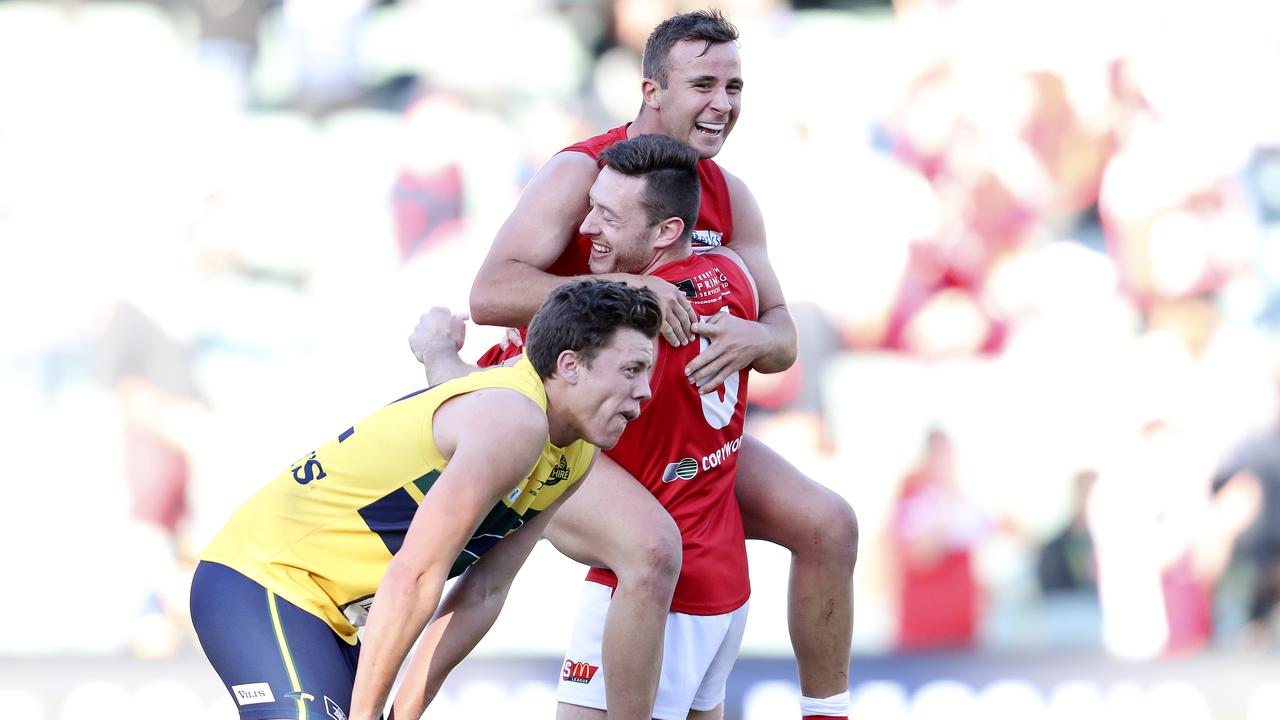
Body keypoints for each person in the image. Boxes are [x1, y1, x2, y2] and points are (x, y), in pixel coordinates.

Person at [466, 10, 857, 720]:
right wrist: (623, 290)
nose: (723, 103)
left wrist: (753, 340)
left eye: (735, 85)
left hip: (662, 431)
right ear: (651, 90)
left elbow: (783, 339)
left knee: (827, 523)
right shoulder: (582, 170)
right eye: (703, 83)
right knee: (648, 550)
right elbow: (490, 294)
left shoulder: (730, 194)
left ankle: (829, 713)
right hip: (557, 426)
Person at [399, 134, 758, 720]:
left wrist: (438, 354)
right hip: (721, 581)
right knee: (493, 567)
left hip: (646, 594)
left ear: (666, 231)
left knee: (492, 561)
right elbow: (776, 337)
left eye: (608, 217)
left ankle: (393, 708)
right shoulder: (733, 275)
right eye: (591, 206)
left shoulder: (625, 327)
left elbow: (491, 412)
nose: (585, 228)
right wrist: (769, 338)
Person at [188, 280, 663, 720]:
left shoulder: (575, 453)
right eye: (631, 369)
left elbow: (483, 593)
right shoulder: (513, 419)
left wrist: (402, 714)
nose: (644, 393)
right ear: (570, 365)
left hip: (330, 616)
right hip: (263, 581)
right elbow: (414, 576)